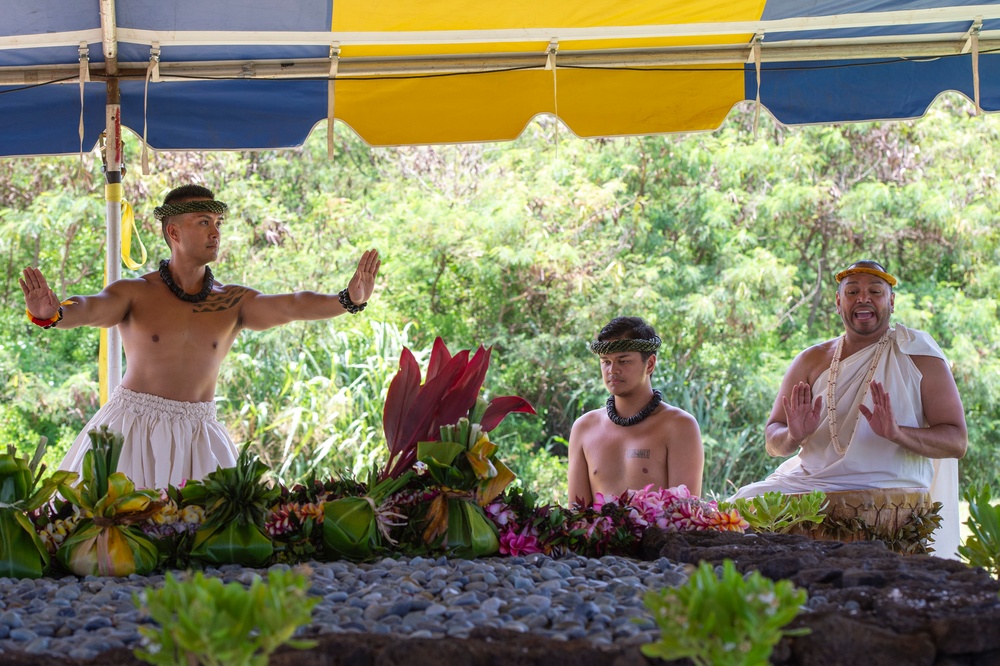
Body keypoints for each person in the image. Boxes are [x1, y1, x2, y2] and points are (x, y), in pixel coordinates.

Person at [19, 185, 380, 490]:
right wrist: (51, 312)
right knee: (116, 541)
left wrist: (346, 300)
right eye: (204, 222)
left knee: (206, 550)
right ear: (173, 233)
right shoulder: (135, 293)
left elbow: (291, 305)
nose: (215, 232)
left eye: (218, 223)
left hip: (200, 435)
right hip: (130, 429)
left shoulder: (232, 301)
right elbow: (88, 307)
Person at [730, 260, 967, 557]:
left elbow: (957, 442)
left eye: (875, 291)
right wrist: (792, 435)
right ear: (838, 301)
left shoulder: (919, 355)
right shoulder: (810, 360)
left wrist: (898, 433)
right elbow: (773, 441)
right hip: (812, 483)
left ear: (891, 302)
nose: (863, 298)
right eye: (852, 291)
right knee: (736, 507)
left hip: (888, 484)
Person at [567, 316, 704, 506]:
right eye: (605, 361)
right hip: (595, 536)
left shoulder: (679, 426)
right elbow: (576, 516)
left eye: (623, 361)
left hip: (664, 536)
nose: (612, 370)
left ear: (649, 364)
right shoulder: (584, 428)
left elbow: (684, 516)